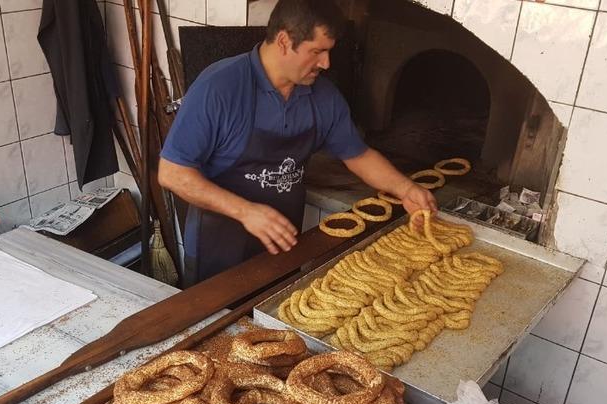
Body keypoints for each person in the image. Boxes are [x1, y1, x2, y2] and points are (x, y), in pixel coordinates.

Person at [158, 0, 437, 287]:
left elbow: (359, 155)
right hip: (219, 246)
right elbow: (172, 173)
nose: (326, 63)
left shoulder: (324, 97)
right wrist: (246, 211)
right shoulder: (220, 87)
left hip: (283, 243)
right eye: (317, 51)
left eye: (329, 51)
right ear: (283, 41)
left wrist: (406, 188)